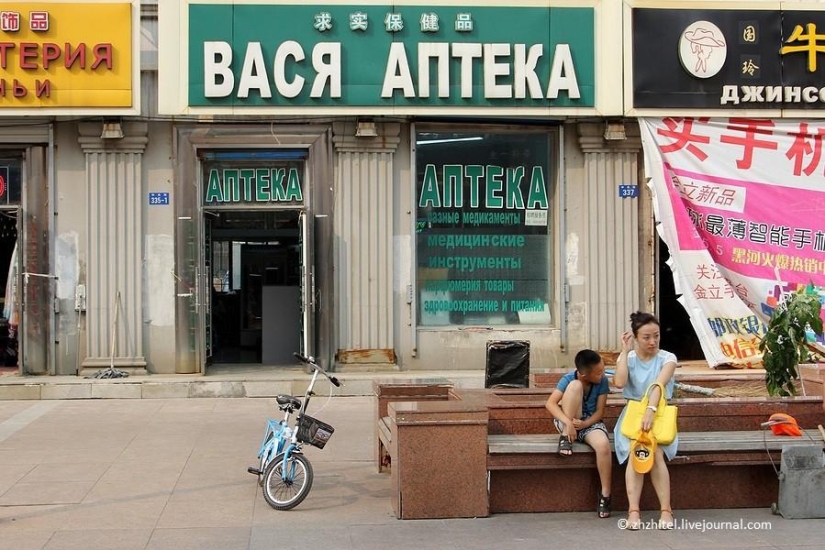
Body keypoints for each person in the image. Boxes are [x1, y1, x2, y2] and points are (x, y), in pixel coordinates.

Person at [613, 311, 678, 530]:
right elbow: (620, 383)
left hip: (658, 413)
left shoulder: (667, 358)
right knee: (636, 450)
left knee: (655, 452)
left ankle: (666, 510)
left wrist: (650, 410)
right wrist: (623, 351)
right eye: (646, 337)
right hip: (633, 415)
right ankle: (633, 511)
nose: (653, 341)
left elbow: (659, 385)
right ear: (635, 337)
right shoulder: (628, 358)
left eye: (656, 336)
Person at [545, 349, 612, 518]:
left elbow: (600, 412)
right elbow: (550, 404)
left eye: (602, 370)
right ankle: (565, 436)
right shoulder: (570, 379)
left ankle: (605, 494)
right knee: (574, 387)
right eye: (598, 373)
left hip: (589, 423)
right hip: (568, 419)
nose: (602, 374)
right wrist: (568, 423)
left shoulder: (602, 382)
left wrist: (585, 424)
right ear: (583, 374)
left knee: (603, 446)